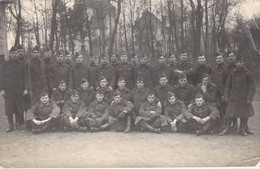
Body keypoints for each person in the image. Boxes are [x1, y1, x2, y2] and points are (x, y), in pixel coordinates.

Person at [219, 58, 256, 136]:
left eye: (240, 62)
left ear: (243, 63)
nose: (239, 64)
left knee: (244, 114)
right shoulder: (232, 73)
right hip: (233, 98)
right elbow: (228, 85)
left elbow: (252, 87)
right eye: (237, 62)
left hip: (243, 98)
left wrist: (249, 98)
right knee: (229, 113)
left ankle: (243, 128)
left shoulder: (248, 73)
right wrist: (226, 95)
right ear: (235, 64)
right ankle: (227, 128)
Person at [1, 46, 27, 132]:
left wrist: (25, 88)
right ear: (9, 54)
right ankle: (10, 125)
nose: (15, 55)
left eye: (16, 53)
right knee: (9, 108)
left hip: (19, 89)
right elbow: (1, 78)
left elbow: (25, 78)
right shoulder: (5, 65)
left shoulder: (22, 64)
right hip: (8, 90)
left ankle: (18, 124)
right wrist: (1, 89)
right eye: (13, 53)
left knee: (18, 107)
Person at [210, 52, 227, 120]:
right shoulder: (214, 69)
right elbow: (211, 80)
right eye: (217, 58)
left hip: (225, 92)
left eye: (220, 58)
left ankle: (229, 125)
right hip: (216, 92)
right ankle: (220, 123)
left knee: (226, 108)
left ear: (223, 59)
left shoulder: (227, 68)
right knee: (218, 107)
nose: (218, 60)